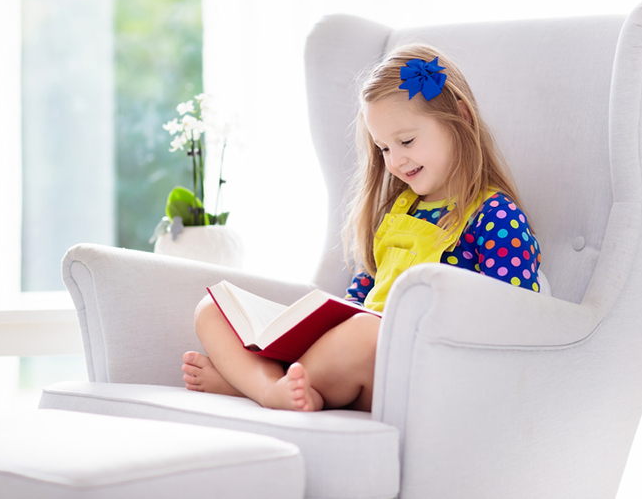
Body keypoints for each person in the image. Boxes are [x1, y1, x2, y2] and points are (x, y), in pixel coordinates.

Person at [182, 44, 541, 412]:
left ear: (460, 117)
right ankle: (277, 386)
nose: (395, 161)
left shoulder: (495, 214)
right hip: (353, 352)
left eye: (406, 141)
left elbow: (515, 319)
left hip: (420, 370)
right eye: (383, 148)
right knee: (211, 308)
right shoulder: (397, 211)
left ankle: (256, 385)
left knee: (366, 333)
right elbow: (362, 294)